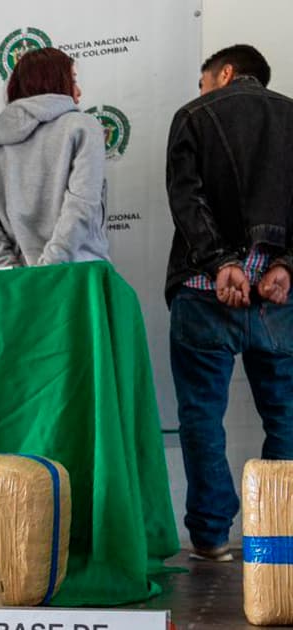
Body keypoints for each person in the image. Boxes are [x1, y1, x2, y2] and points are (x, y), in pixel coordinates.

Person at [166, 44, 293, 562]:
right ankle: (280, 532)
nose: (201, 93)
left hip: (204, 291)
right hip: (278, 297)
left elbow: (186, 199)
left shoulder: (193, 117)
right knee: (285, 418)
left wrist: (221, 263)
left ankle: (212, 537)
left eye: (203, 82)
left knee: (201, 417)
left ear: (225, 73)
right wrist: (284, 266)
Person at [0, 47, 109, 268]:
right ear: (56, 82)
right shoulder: (83, 127)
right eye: (72, 80)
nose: (79, 92)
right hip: (78, 277)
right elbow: (81, 208)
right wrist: (49, 270)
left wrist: (14, 274)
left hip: (15, 288)